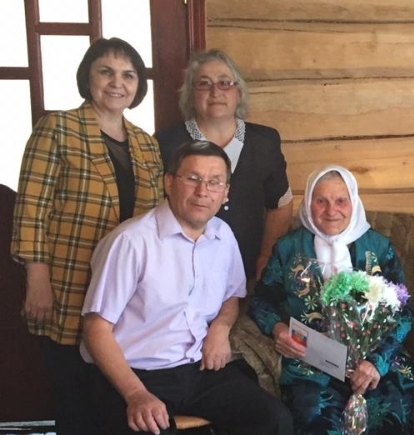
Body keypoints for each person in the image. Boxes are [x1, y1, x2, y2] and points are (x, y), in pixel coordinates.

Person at [80, 141, 292, 435]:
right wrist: (136, 394)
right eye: (192, 178)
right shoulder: (131, 241)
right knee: (152, 428)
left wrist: (220, 328)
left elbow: (232, 295)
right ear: (169, 183)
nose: (203, 191)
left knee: (273, 420)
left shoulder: (223, 236)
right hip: (135, 373)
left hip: (197, 369)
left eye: (214, 182)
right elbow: (96, 328)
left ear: (225, 192)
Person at [11, 37, 163, 435]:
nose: (117, 83)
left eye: (128, 75)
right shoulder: (58, 128)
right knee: (73, 394)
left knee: (112, 396)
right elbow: (32, 207)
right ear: (88, 77)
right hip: (68, 281)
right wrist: (37, 278)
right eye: (106, 72)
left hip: (126, 289)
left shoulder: (146, 144)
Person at [248, 165, 414, 435]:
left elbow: (403, 312)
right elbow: (260, 300)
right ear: (308, 203)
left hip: (373, 364)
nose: (331, 210)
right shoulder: (288, 248)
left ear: (354, 202)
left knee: (390, 417)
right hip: (311, 364)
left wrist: (376, 361)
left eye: (340, 201)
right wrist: (277, 328)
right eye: (321, 201)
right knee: (313, 416)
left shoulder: (378, 247)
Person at [156, 49, 293, 281]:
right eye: (204, 83)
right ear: (190, 94)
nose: (215, 92)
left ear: (238, 93)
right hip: (183, 274)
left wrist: (266, 256)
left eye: (225, 83)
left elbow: (280, 203)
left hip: (249, 273)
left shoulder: (264, 141)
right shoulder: (167, 143)